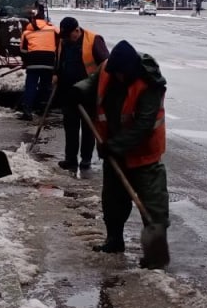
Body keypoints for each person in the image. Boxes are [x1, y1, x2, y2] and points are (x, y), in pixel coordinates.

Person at [73, 41, 170, 269]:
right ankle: (114, 240)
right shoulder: (108, 68)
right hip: (114, 152)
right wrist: (78, 90)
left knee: (153, 205)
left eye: (120, 74)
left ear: (130, 70)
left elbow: (144, 124)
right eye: (113, 72)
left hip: (145, 154)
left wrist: (115, 145)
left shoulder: (149, 84)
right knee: (113, 201)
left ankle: (155, 254)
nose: (116, 76)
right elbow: (93, 82)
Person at [53, 17, 110, 170]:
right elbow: (59, 61)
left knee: (88, 127)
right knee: (70, 127)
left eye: (69, 35)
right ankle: (70, 159)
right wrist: (56, 74)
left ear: (77, 30)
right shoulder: (63, 41)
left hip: (88, 92)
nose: (67, 39)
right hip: (68, 91)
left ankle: (86, 159)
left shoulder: (94, 40)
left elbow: (106, 65)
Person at [18, 10, 58, 120]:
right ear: (44, 20)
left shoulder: (27, 32)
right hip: (49, 62)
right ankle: (43, 109)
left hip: (33, 62)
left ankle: (27, 111)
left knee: (30, 86)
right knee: (45, 86)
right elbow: (60, 44)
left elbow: (22, 50)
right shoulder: (53, 29)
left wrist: (26, 62)